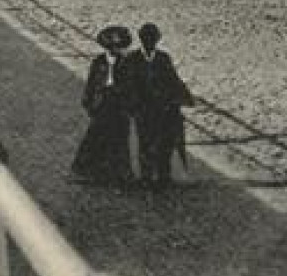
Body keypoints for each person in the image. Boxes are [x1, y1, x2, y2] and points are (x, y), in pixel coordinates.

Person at [130, 23, 195, 190]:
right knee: (145, 142)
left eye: (152, 39)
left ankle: (163, 176)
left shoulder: (163, 58)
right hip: (143, 109)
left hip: (161, 108)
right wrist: (135, 106)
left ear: (156, 40)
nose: (149, 42)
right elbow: (129, 84)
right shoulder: (133, 59)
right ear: (142, 39)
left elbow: (173, 80)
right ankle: (146, 176)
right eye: (146, 39)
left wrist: (184, 97)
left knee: (164, 143)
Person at [71, 25, 136, 185]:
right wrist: (88, 102)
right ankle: (88, 171)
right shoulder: (99, 62)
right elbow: (91, 84)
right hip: (102, 102)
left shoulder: (127, 63)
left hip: (119, 103)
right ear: (106, 47)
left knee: (120, 138)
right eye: (111, 47)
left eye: (118, 47)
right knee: (96, 136)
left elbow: (131, 86)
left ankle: (120, 173)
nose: (114, 50)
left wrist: (129, 105)